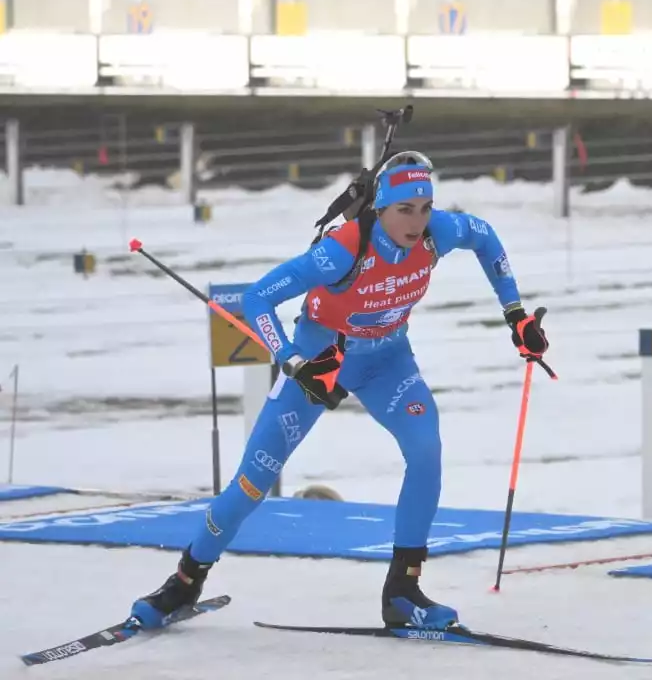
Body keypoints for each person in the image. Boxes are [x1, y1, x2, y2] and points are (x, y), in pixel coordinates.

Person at [129, 152, 550, 630]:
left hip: (388, 362)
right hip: (320, 365)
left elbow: (485, 237)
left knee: (426, 450)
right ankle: (185, 581)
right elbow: (257, 298)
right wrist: (292, 361)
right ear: (382, 209)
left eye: (425, 207)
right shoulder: (344, 249)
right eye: (404, 210)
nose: (416, 221)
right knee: (252, 483)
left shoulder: (438, 232)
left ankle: (403, 591)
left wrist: (514, 313)